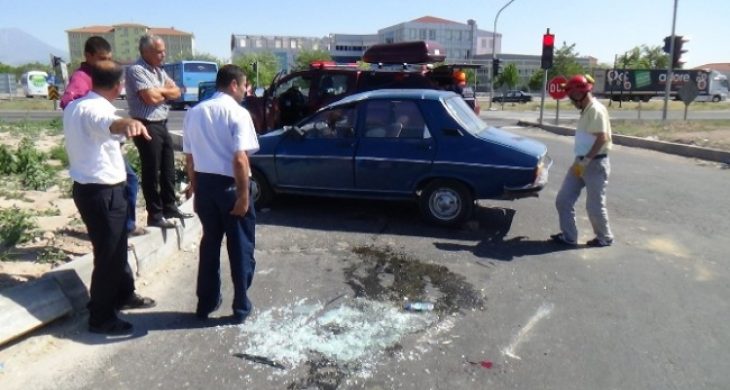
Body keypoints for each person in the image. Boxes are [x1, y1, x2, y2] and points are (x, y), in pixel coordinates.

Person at [63, 60, 156, 335]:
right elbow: (109, 124)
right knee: (109, 256)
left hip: (91, 189)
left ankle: (124, 294)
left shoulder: (75, 105)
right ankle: (101, 317)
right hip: (103, 192)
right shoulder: (96, 110)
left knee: (116, 247)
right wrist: (128, 123)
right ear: (119, 85)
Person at [182, 65, 259, 323]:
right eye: (245, 85)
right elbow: (240, 159)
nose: (246, 91)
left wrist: (195, 188)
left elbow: (189, 159)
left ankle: (205, 303)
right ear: (234, 85)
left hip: (205, 186)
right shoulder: (237, 113)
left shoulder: (194, 113)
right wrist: (243, 195)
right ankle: (240, 305)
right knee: (240, 247)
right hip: (230, 186)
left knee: (210, 245)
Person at [61, 36, 147, 237]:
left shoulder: (97, 79)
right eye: (101, 58)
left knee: (129, 179)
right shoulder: (83, 82)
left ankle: (125, 225)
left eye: (108, 58)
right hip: (98, 175)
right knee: (111, 254)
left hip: (97, 156)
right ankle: (125, 225)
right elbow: (99, 118)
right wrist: (126, 123)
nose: (105, 62)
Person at [126, 34, 192, 229]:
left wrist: (161, 91)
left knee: (168, 168)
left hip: (162, 123)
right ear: (145, 51)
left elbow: (178, 91)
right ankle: (155, 214)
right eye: (159, 51)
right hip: (146, 124)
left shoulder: (158, 71)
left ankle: (169, 206)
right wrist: (164, 92)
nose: (163, 55)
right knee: (151, 171)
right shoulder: (136, 70)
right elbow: (149, 98)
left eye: (164, 51)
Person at [551, 74, 614, 248]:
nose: (572, 101)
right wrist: (581, 162)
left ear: (579, 95)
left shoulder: (595, 109)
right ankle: (569, 236)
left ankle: (605, 237)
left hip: (594, 164)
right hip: (581, 162)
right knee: (563, 199)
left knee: (594, 206)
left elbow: (602, 138)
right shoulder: (587, 110)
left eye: (572, 97)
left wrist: (586, 160)